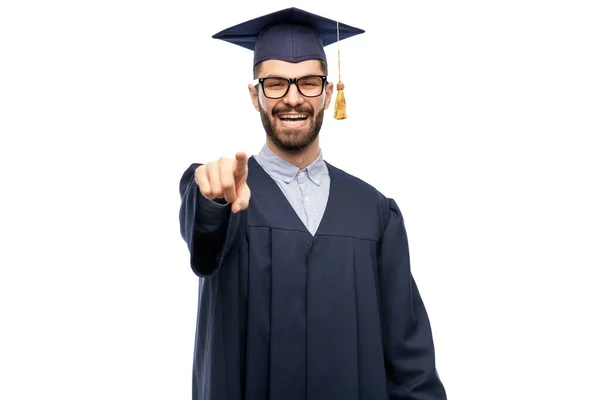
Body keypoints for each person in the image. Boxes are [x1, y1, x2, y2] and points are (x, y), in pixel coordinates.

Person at [178, 7, 447, 400]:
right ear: (254, 95)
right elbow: (204, 250)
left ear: (327, 91)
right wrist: (211, 202)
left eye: (307, 82)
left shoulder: (374, 213)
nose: (292, 98)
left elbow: (409, 359)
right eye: (275, 84)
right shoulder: (226, 192)